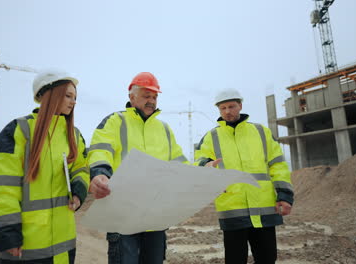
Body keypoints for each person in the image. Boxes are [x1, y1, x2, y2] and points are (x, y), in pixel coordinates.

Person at [0, 70, 90, 264]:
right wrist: (7, 234)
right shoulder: (18, 130)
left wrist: (78, 191)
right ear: (46, 95)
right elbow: (1, 188)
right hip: (25, 247)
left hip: (63, 248)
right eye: (68, 95)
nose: (73, 102)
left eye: (75, 97)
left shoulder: (74, 135)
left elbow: (81, 168)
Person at [87, 72, 188, 264]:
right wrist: (100, 174)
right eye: (146, 96)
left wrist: (203, 172)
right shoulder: (115, 121)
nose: (151, 101)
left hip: (155, 218)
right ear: (131, 97)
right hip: (123, 217)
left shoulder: (164, 129)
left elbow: (179, 163)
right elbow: (101, 150)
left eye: (155, 97)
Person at [194, 89, 294, 264]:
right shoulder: (211, 137)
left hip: (264, 208)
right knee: (235, 260)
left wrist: (285, 195)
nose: (227, 111)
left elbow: (277, 164)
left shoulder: (261, 132)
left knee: (267, 259)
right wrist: (206, 165)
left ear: (240, 105)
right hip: (232, 209)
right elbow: (199, 162)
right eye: (223, 108)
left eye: (231, 106)